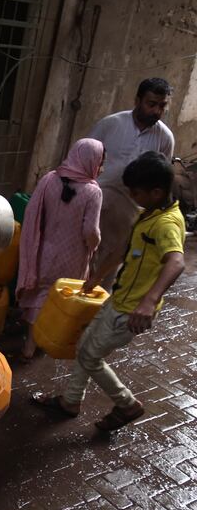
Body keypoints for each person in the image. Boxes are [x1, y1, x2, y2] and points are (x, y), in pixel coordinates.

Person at [30, 152, 185, 431]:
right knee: (85, 346)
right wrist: (97, 277)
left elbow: (176, 262)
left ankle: (126, 404)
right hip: (119, 300)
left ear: (157, 191)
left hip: (131, 311)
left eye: (136, 192)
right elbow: (123, 249)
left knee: (90, 355)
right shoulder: (148, 214)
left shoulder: (166, 224)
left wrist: (150, 302)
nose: (132, 196)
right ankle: (70, 401)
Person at [16, 138, 105, 360]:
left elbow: (33, 213)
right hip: (73, 257)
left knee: (40, 294)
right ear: (90, 161)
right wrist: (96, 246)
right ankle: (50, 339)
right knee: (60, 298)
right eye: (101, 162)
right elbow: (90, 231)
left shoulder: (49, 179)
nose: (101, 168)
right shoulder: (93, 193)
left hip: (44, 250)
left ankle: (30, 344)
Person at [87, 77, 175, 290]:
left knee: (113, 256)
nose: (156, 111)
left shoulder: (165, 138)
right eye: (151, 104)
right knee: (85, 250)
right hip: (98, 199)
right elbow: (87, 155)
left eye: (162, 106)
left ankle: (96, 303)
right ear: (137, 100)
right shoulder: (111, 124)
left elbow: (161, 177)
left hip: (130, 208)